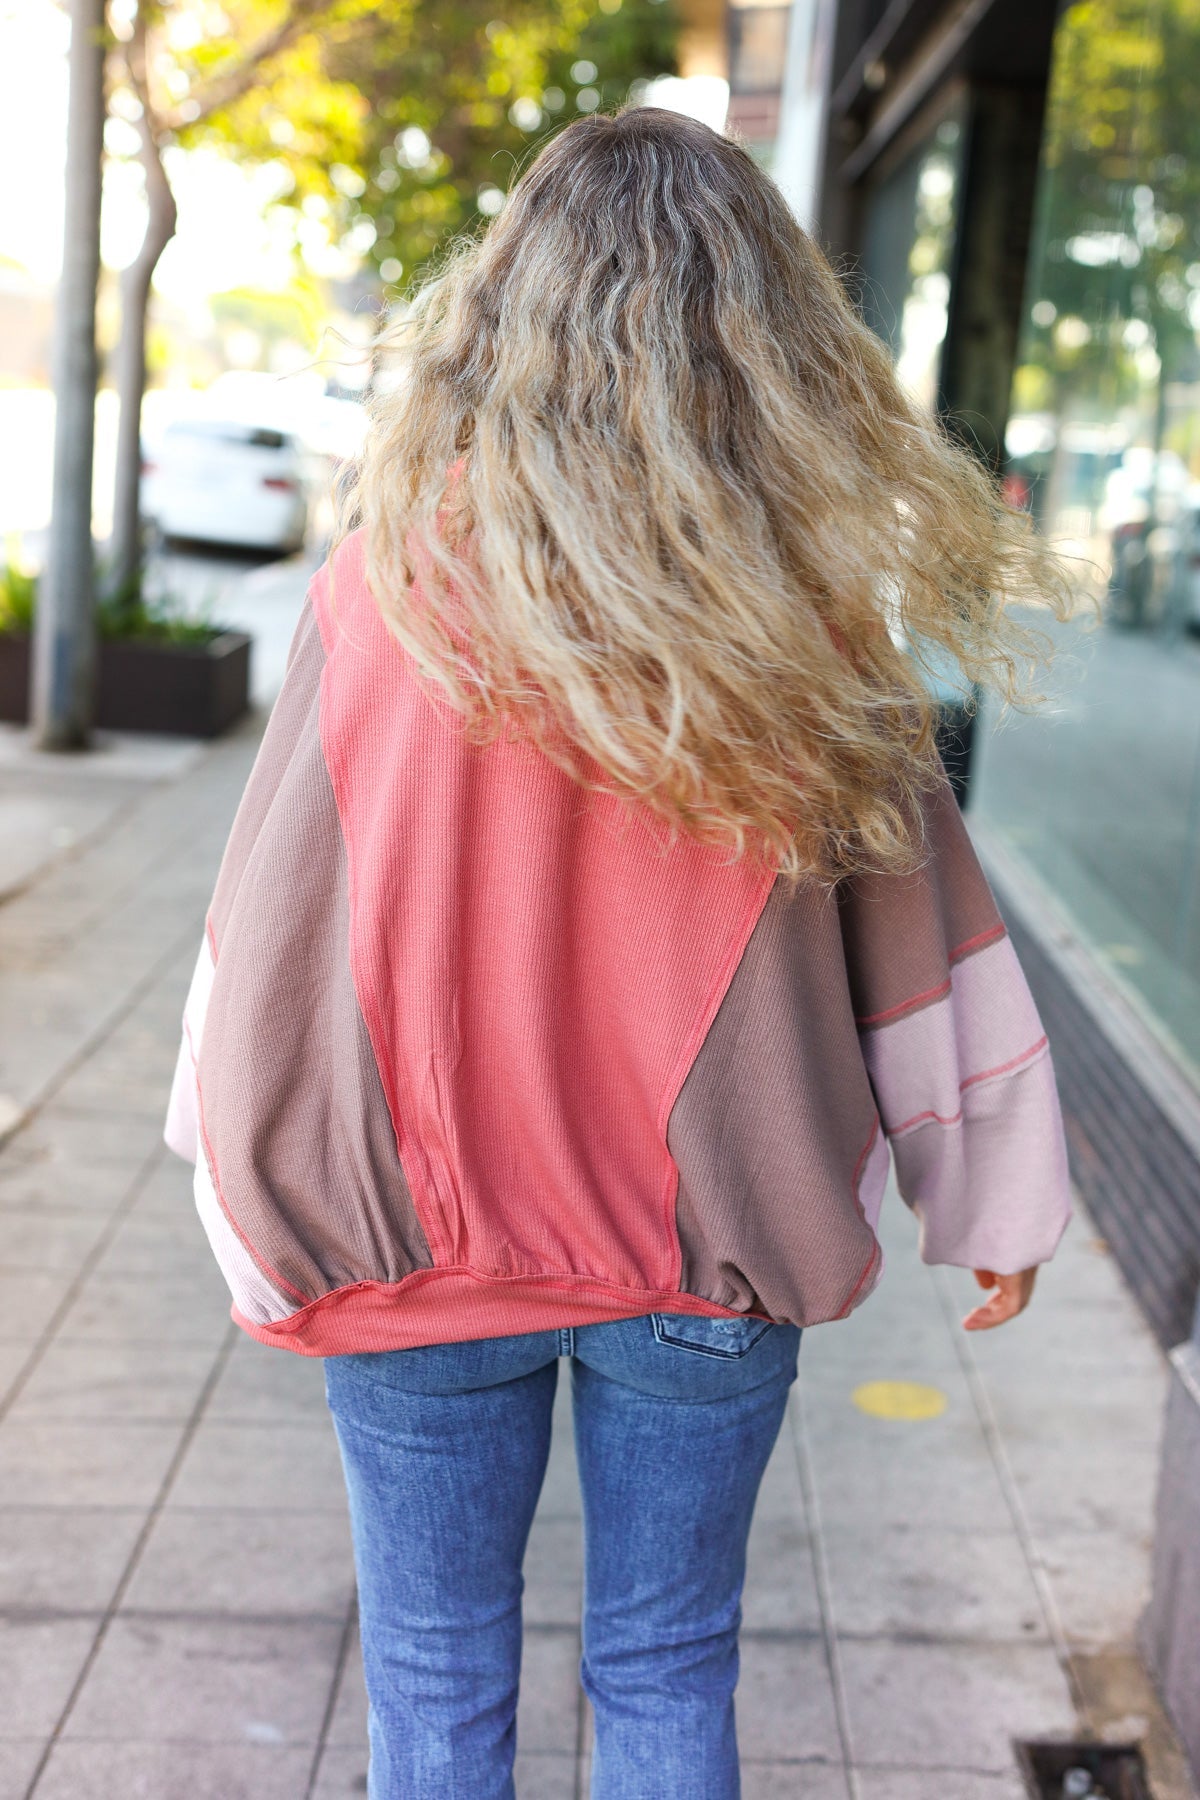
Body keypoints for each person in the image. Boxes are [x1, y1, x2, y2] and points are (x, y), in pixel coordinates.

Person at [164, 106, 1074, 1800]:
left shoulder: (385, 589)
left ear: (501, 315)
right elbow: (921, 942)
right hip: (706, 1260)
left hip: (421, 1261)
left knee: (433, 1674)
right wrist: (993, 1199)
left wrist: (232, 1166)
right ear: (771, 337)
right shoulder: (812, 624)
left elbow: (270, 918)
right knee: (667, 1666)